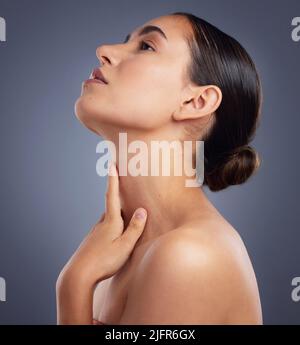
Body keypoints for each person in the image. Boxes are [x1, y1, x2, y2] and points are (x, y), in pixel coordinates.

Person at [56, 12, 263, 325]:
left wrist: (72, 286)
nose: (104, 50)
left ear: (196, 102)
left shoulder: (190, 255)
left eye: (146, 47)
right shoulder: (111, 263)